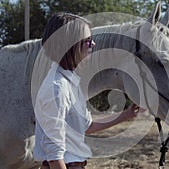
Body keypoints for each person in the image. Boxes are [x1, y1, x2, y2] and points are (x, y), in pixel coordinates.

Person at [34, 13, 145, 169]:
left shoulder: (70, 83)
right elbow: (54, 156)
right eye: (87, 41)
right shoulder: (57, 89)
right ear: (69, 45)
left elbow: (88, 126)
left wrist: (127, 114)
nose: (93, 44)